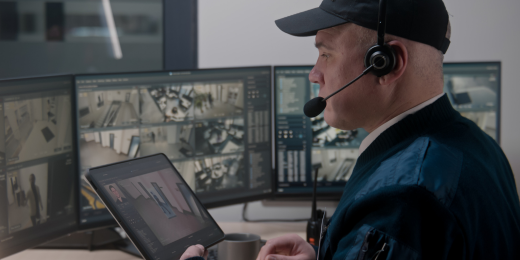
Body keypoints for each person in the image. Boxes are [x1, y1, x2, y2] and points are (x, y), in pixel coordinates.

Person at [183, 0, 520, 259]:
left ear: (386, 63)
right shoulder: (478, 145)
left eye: (325, 54)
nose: (314, 73)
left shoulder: (405, 199)